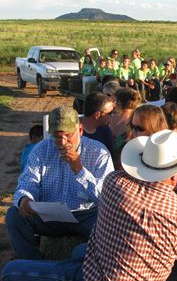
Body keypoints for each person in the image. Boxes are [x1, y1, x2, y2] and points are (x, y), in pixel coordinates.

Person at [2, 130, 177, 281]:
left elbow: (124, 180)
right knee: (78, 251)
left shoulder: (115, 184)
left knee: (9, 273)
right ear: (174, 176)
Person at [6, 106, 114, 260]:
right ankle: (35, 266)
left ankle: (93, 270)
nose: (62, 142)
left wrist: (79, 169)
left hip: (86, 215)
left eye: (68, 135)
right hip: (48, 213)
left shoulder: (99, 153)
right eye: (57, 136)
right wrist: (25, 200)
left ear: (81, 130)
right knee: (14, 215)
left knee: (112, 225)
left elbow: (106, 198)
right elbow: (28, 182)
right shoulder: (41, 149)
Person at [81, 92, 115, 156]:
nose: (112, 116)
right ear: (97, 115)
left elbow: (111, 158)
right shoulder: (73, 133)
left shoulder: (106, 131)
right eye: (110, 113)